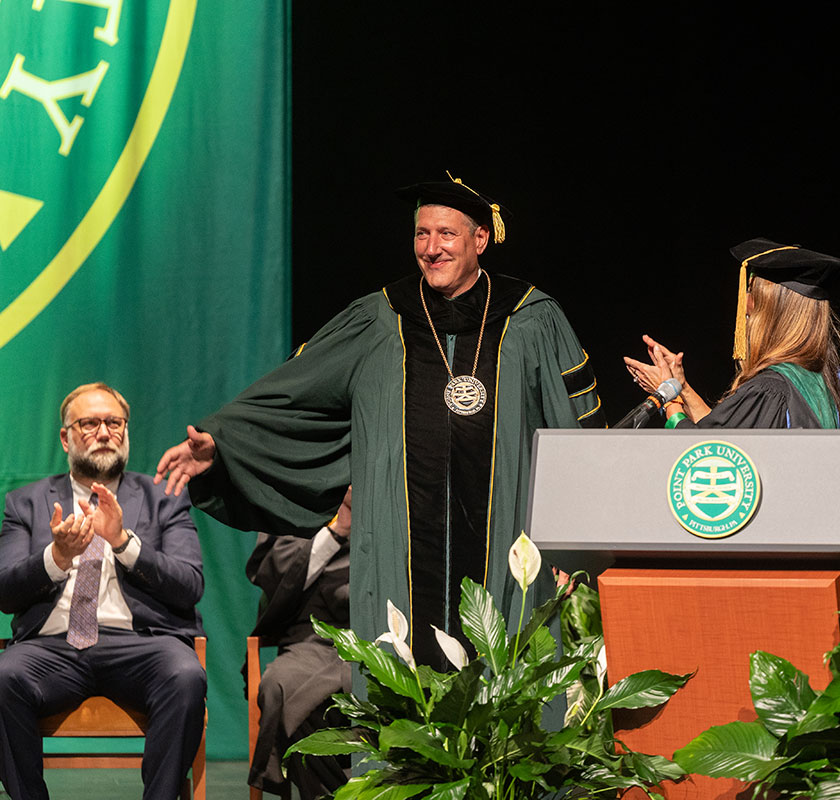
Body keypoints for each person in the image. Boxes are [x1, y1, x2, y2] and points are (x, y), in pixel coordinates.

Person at [154, 175, 604, 664]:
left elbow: (574, 433)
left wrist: (573, 542)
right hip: (399, 548)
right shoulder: (378, 319)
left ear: (481, 238)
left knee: (506, 673)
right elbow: (291, 391)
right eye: (421, 234)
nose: (431, 248)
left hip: (507, 542)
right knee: (403, 676)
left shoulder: (533, 318)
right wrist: (221, 441)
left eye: (446, 235)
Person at [0, 382, 206, 800]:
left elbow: (189, 585)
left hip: (140, 644)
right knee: (2, 677)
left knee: (186, 676)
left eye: (114, 422)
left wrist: (124, 543)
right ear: (66, 437)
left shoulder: (163, 497)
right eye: (89, 423)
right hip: (52, 647)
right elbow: (5, 592)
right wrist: (56, 557)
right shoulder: (25, 503)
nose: (104, 432)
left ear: (126, 431)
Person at [625, 237, 840, 429]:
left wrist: (669, 399)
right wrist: (681, 387)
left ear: (772, 315)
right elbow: (725, 436)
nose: (745, 309)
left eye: (751, 298)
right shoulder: (824, 384)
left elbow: (711, 455)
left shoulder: (770, 390)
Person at [246, 487, 352, 799]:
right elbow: (274, 574)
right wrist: (338, 529)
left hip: (386, 633)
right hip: (313, 637)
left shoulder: (397, 482)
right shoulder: (293, 485)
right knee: (284, 687)